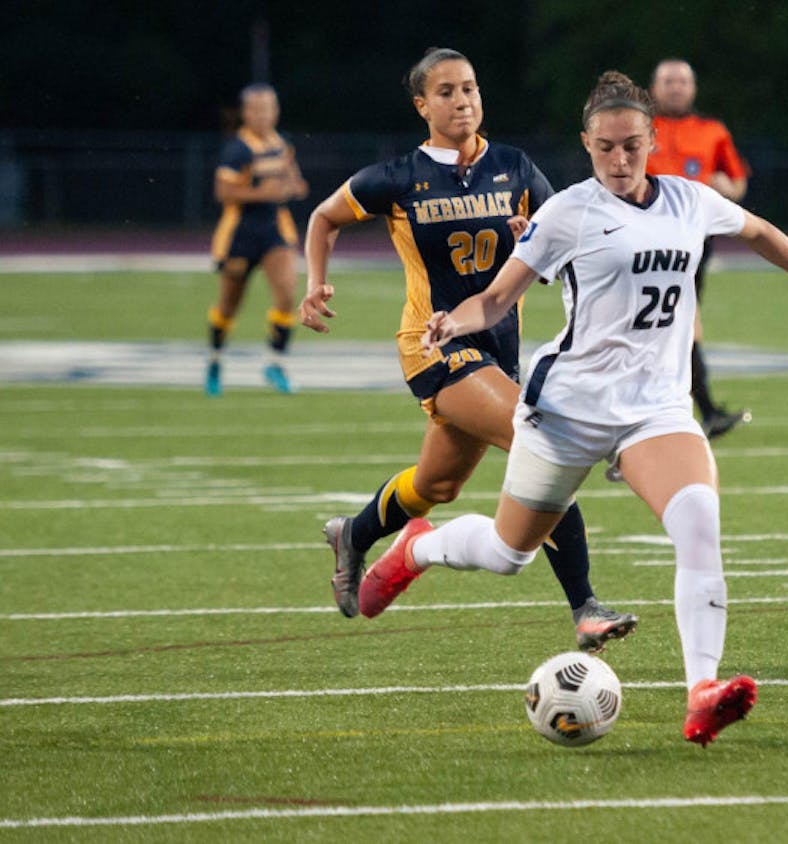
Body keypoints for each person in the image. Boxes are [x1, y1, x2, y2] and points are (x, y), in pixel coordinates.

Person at [358, 71, 788, 745]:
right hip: (570, 409)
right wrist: (452, 325)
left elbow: (760, 232)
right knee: (506, 552)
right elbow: (496, 298)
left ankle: (702, 691)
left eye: (632, 145)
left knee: (698, 520)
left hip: (656, 410)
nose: (619, 160)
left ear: (652, 138)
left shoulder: (690, 201)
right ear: (587, 144)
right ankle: (420, 546)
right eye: (604, 148)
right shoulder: (567, 212)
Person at [298, 48, 637, 652]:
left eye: (471, 88)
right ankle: (584, 605)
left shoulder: (515, 166)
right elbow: (324, 216)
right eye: (448, 91)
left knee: (438, 485)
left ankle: (354, 532)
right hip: (432, 347)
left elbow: (566, 242)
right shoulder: (400, 176)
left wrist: (533, 239)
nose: (463, 101)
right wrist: (315, 282)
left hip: (496, 352)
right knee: (544, 438)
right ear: (422, 105)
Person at [646, 58, 752, 438]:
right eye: (668, 81)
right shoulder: (640, 127)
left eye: (682, 81)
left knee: (676, 321)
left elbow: (737, 185)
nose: (676, 88)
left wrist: (725, 187)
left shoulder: (712, 132)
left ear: (693, 88)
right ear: (654, 87)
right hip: (643, 237)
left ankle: (698, 409)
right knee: (675, 322)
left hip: (693, 241)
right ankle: (703, 409)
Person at [206, 83, 308, 396]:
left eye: (270, 109)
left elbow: (298, 184)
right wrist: (260, 193)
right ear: (246, 113)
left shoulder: (281, 144)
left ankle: (275, 363)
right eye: (258, 109)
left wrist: (291, 187)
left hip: (275, 230)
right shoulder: (238, 149)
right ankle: (215, 359)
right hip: (240, 232)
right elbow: (223, 192)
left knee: (288, 293)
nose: (265, 115)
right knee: (229, 304)